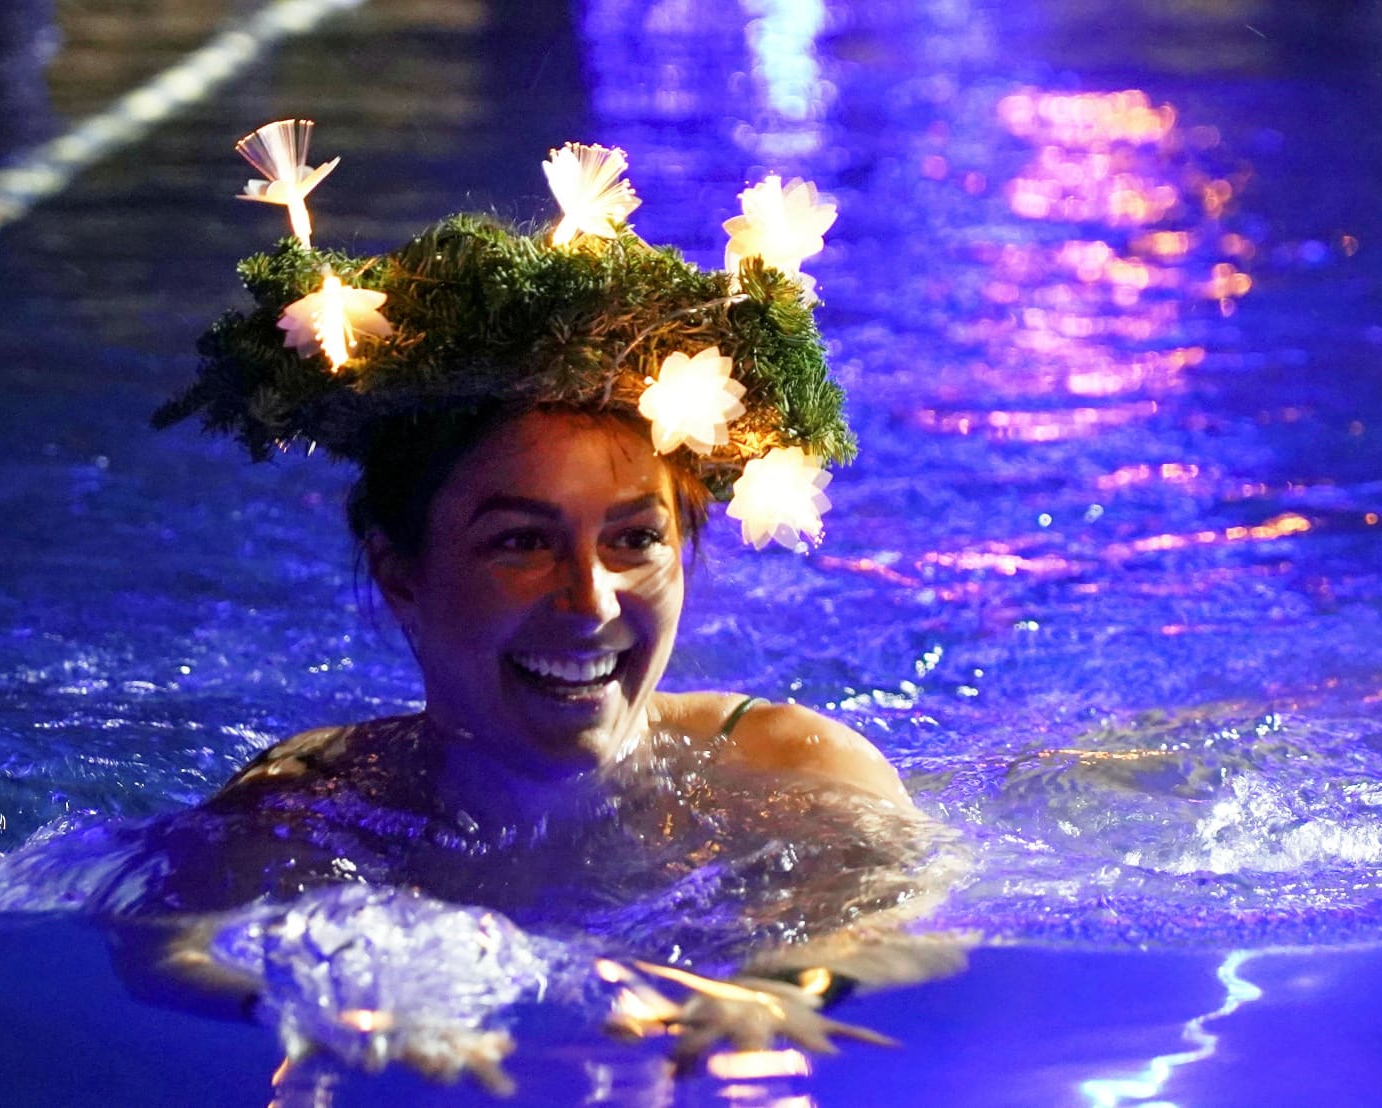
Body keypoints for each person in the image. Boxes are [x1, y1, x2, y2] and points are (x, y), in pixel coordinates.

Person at [110, 123, 961, 1088]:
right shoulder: (312, 806)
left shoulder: (790, 771)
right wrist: (305, 1005)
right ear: (401, 575)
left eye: (634, 539)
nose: (588, 599)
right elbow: (160, 949)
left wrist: (780, 989)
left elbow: (912, 928)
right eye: (520, 542)